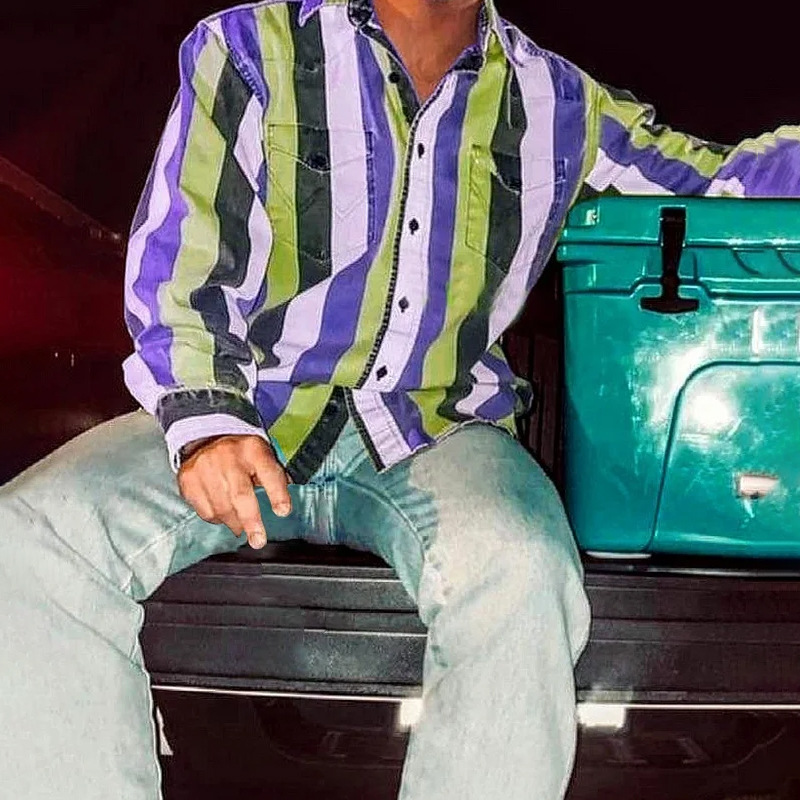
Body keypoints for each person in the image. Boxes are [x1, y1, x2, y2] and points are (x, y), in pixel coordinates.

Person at [2, 0, 800, 798]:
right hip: (247, 409)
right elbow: (183, 253)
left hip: (436, 429)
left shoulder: (559, 100)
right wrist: (208, 421)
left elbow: (721, 181)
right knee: (29, 535)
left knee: (521, 565)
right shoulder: (248, 46)